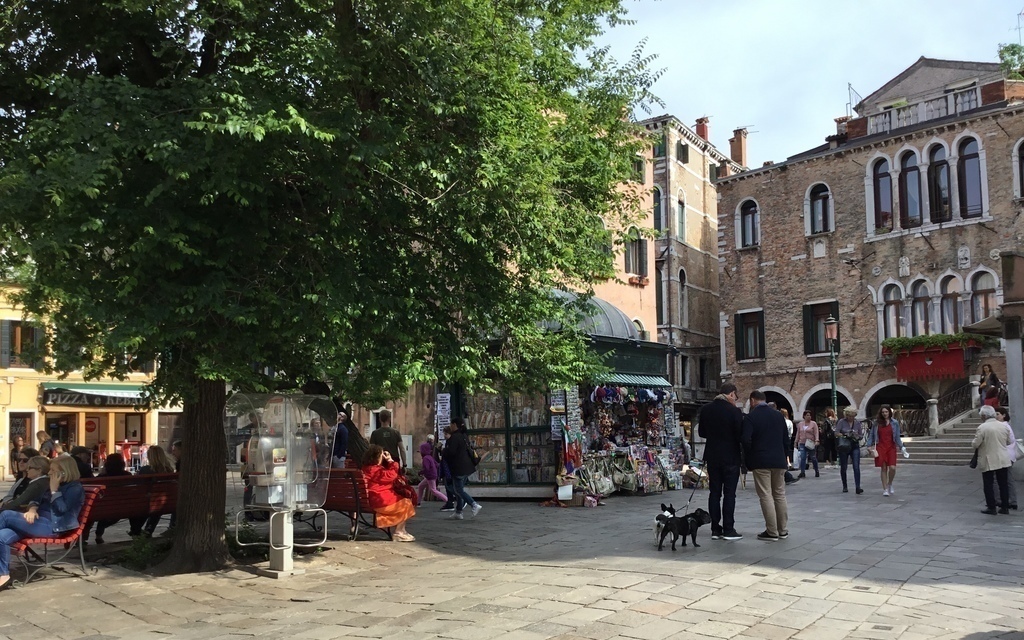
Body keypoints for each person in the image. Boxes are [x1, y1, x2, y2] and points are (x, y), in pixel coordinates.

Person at [0, 455, 85, 591]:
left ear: (64, 472)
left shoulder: (74, 488)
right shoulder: (51, 483)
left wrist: (54, 490)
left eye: (53, 470)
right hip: (37, 523)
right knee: (2, 536)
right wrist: (32, 509)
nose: (49, 473)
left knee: (6, 515)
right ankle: (3, 575)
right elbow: (35, 500)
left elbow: (62, 509)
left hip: (53, 527)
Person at [697, 383, 744, 541]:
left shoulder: (706, 409)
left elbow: (702, 432)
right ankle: (728, 529)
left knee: (715, 493)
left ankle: (715, 529)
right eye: (735, 397)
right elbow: (739, 435)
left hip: (712, 456)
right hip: (730, 456)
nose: (735, 400)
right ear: (731, 394)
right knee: (729, 493)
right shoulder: (734, 411)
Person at [742, 391, 789, 541]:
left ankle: (772, 531)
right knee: (779, 494)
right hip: (779, 460)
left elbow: (745, 440)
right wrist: (785, 456)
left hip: (761, 460)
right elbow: (786, 439)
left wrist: (749, 457)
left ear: (752, 400)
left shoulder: (751, 417)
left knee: (766, 495)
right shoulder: (778, 416)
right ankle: (783, 530)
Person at [361, 445, 416, 541]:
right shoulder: (377, 471)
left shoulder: (365, 469)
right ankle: (399, 532)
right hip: (380, 502)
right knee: (406, 503)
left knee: (403, 501)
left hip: (370, 501)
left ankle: (402, 530)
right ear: (377, 457)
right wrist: (390, 460)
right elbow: (392, 475)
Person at [973, 405, 1013, 515]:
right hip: (1003, 457)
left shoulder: (982, 428)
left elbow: (976, 443)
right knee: (1003, 484)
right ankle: (1005, 507)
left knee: (988, 484)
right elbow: (1009, 441)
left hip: (988, 458)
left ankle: (991, 507)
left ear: (984, 416)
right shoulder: (1003, 426)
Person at [129, 445, 177, 536]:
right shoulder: (169, 470)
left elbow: (139, 487)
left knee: (143, 504)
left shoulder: (146, 470)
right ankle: (148, 530)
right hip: (165, 503)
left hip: (148, 502)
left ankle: (136, 530)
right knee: (156, 508)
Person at [441, 419, 482, 520]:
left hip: (459, 467)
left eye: (451, 424)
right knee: (459, 489)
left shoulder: (455, 437)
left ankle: (474, 504)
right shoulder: (464, 435)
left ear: (454, 425)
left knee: (458, 490)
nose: (450, 426)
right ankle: (458, 512)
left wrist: (443, 450)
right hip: (467, 467)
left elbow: (451, 452)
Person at [866, 404, 906, 497]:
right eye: (883, 412)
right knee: (883, 468)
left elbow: (897, 437)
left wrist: (901, 447)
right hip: (880, 447)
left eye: (886, 412)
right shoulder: (877, 423)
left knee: (892, 468)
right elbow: (872, 434)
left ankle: (890, 483)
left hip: (891, 447)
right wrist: (869, 445)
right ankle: (885, 489)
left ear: (889, 412)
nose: (885, 414)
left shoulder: (894, 423)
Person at [93, 453, 132, 543]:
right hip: (124, 506)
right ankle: (135, 531)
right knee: (116, 514)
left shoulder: (102, 477)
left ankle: (99, 534)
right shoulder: (127, 475)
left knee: (106, 515)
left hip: (104, 507)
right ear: (122, 464)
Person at [835, 407, 864, 494]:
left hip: (855, 445)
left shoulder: (857, 423)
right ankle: (845, 486)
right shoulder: (841, 422)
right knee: (844, 466)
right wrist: (845, 435)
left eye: (852, 416)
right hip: (844, 445)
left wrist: (856, 436)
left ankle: (858, 487)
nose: (851, 417)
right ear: (846, 415)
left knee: (856, 466)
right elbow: (836, 432)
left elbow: (861, 435)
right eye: (849, 416)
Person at [995, 407, 1018, 510]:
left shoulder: (1003, 426)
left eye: (998, 414)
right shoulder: (1006, 426)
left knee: (1005, 479)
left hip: (1005, 455)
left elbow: (1008, 441)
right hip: (1008, 455)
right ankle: (1012, 500)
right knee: (1008, 478)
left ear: (1004, 415)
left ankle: (1007, 500)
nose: (996, 416)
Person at [795, 410, 819, 479]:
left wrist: (816, 440)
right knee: (803, 457)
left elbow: (816, 433)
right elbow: (798, 433)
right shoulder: (800, 424)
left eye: (810, 415)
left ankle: (816, 470)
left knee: (813, 457)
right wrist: (796, 442)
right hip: (802, 443)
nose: (809, 417)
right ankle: (802, 472)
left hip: (810, 443)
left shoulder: (813, 424)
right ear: (804, 416)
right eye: (807, 415)